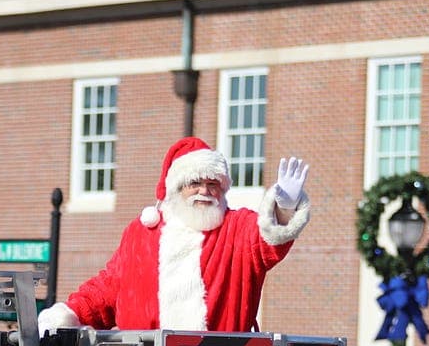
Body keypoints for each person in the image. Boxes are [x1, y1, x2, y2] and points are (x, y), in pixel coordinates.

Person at [37, 136, 310, 333]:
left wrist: (284, 207)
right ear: (176, 189)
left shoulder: (237, 229)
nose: (205, 191)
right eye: (194, 183)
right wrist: (70, 313)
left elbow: (267, 238)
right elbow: (108, 289)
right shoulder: (141, 234)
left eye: (213, 183)